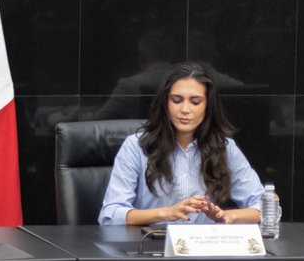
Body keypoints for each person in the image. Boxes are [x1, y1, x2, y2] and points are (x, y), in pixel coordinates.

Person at [99, 62, 264, 225]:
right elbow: (111, 214)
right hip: (151, 245)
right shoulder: (136, 146)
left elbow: (265, 206)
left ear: (208, 106)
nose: (185, 109)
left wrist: (228, 216)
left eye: (195, 101)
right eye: (176, 100)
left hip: (203, 247)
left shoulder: (224, 147)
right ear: (166, 103)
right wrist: (167, 213)